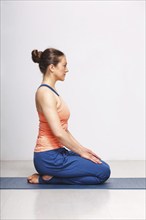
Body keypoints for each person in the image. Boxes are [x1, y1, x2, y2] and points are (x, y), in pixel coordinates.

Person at [27, 48, 111, 184]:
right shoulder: (45, 93)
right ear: (52, 67)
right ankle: (46, 179)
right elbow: (58, 133)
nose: (67, 69)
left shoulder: (52, 92)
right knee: (103, 172)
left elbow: (64, 130)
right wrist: (81, 152)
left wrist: (83, 149)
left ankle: (51, 176)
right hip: (48, 157)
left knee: (101, 167)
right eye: (64, 65)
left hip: (59, 152)